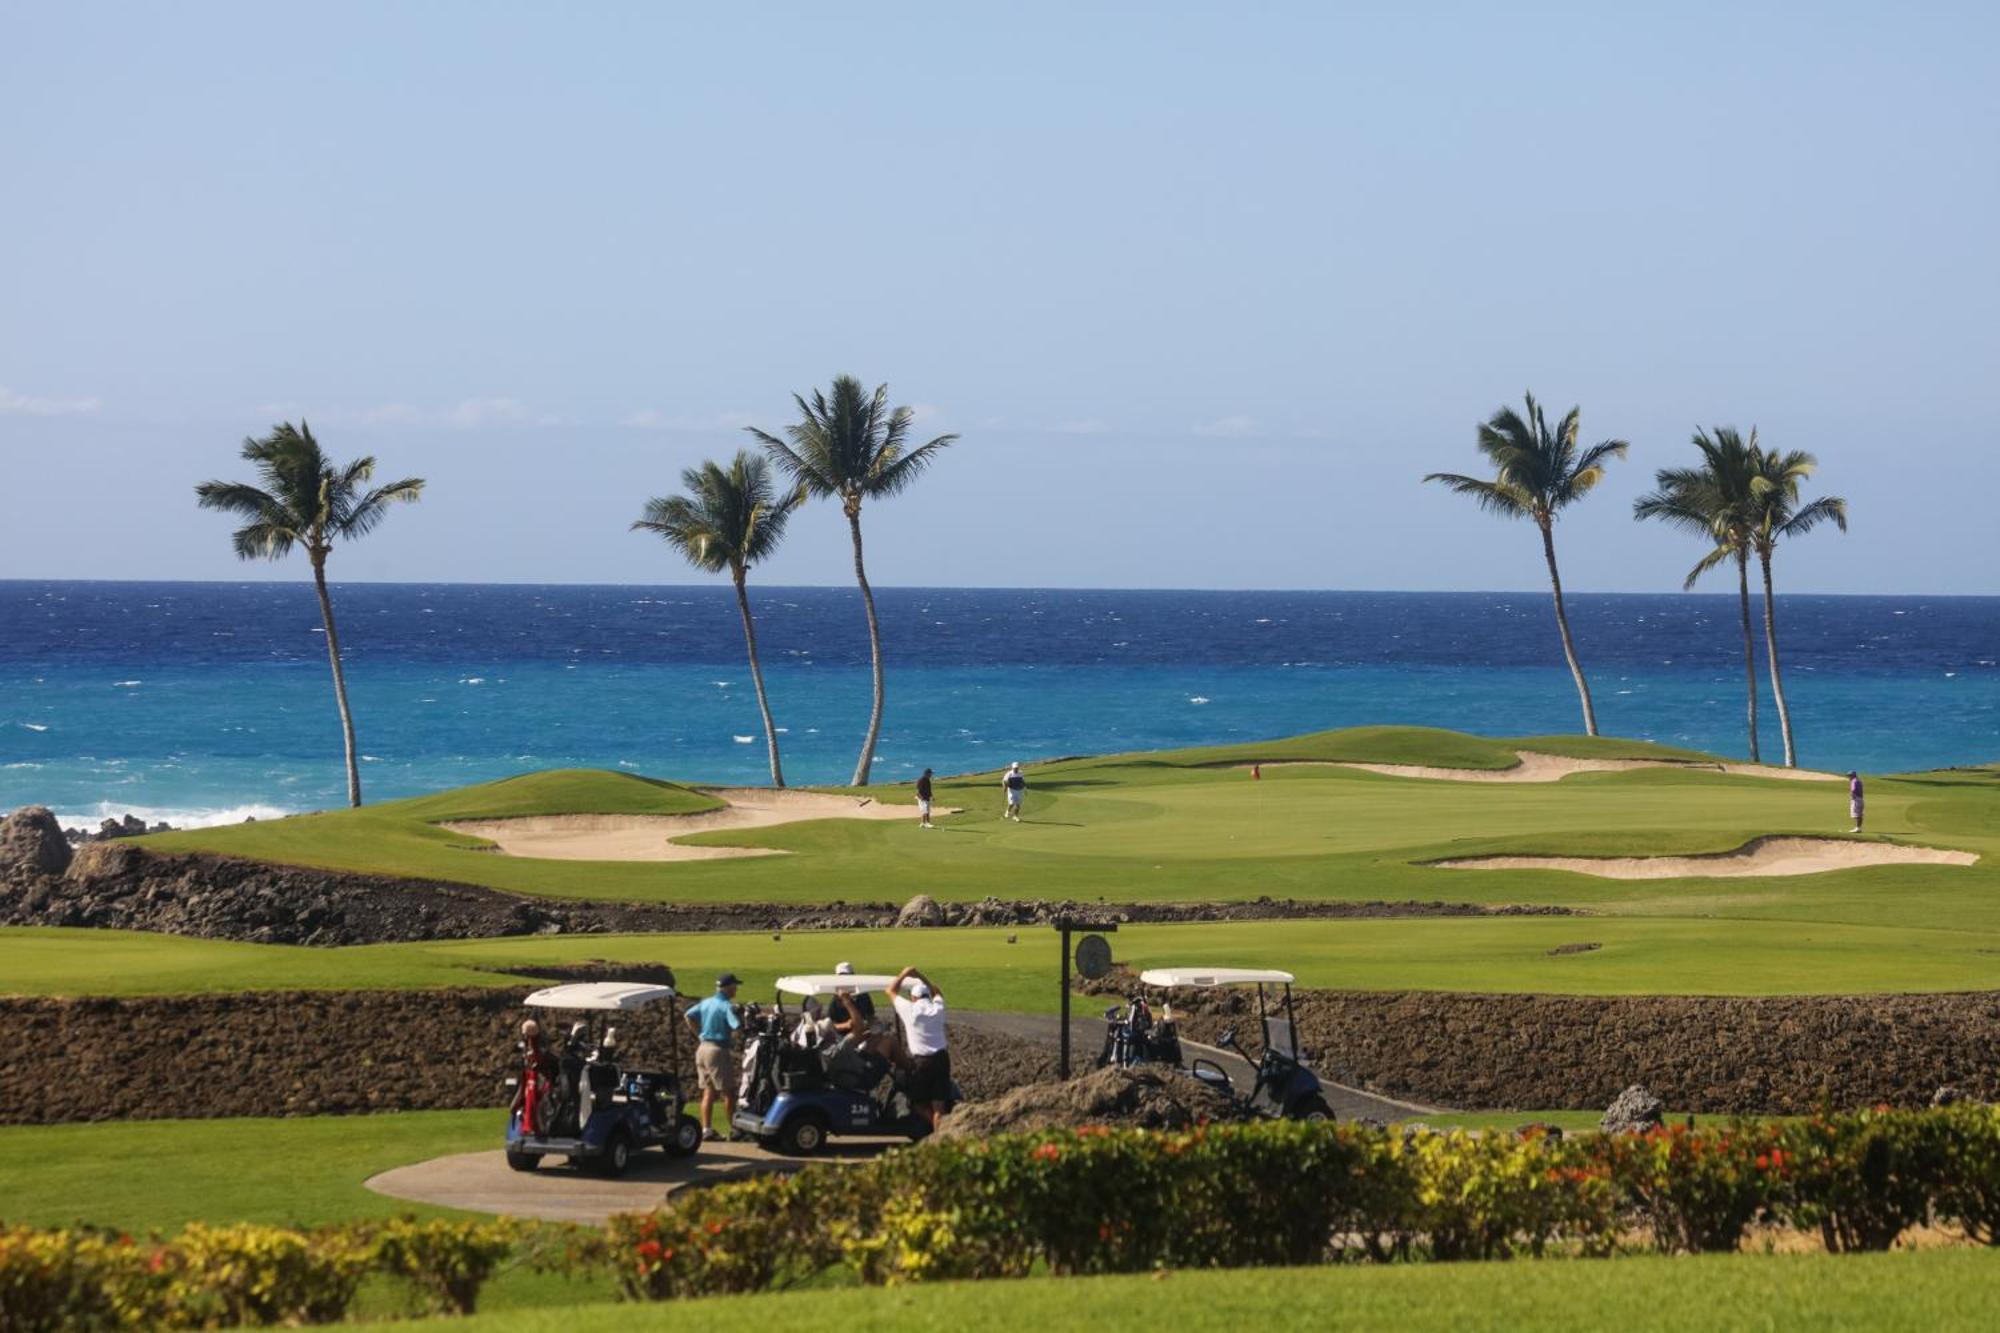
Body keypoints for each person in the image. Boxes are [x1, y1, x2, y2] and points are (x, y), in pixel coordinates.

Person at [885, 965, 951, 1130]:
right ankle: (941, 1135)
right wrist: (920, 976)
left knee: (916, 1104)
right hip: (942, 1060)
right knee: (939, 1107)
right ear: (927, 996)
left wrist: (905, 973)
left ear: (913, 998)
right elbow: (937, 992)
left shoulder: (910, 1009)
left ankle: (938, 1131)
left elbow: (890, 990)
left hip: (922, 1063)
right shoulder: (937, 1008)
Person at [685, 973, 744, 1140]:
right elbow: (736, 1025)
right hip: (717, 1051)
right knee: (729, 1093)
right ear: (728, 988)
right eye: (735, 986)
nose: (736, 989)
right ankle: (734, 1130)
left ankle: (706, 1130)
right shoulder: (726, 1006)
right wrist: (739, 1015)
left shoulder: (706, 1002)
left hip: (702, 1049)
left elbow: (688, 1015)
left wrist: (699, 1035)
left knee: (709, 1091)